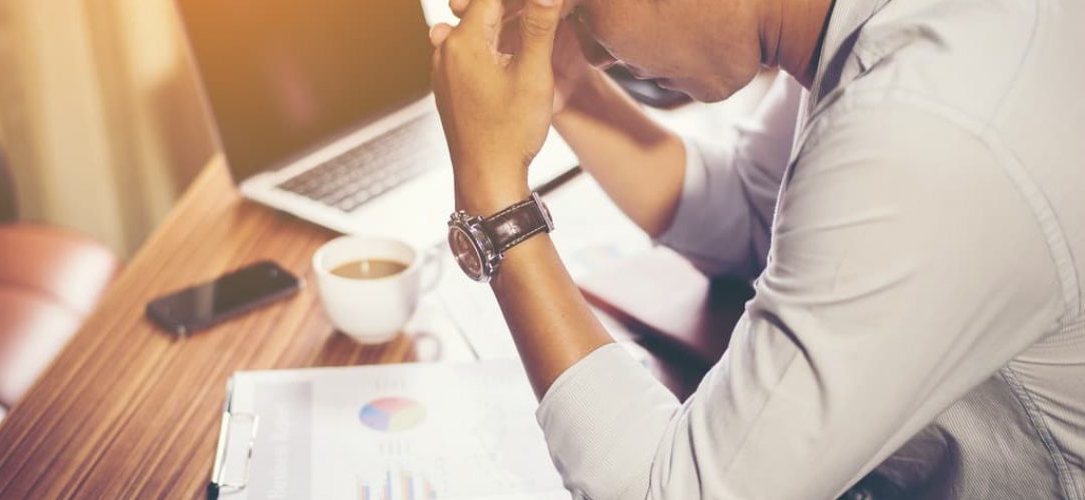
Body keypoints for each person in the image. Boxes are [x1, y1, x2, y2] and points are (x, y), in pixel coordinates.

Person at [427, 0, 1085, 496]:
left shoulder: (925, 129)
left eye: (583, 5)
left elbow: (672, 488)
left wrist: (492, 191)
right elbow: (750, 210)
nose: (593, 45)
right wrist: (560, 78)